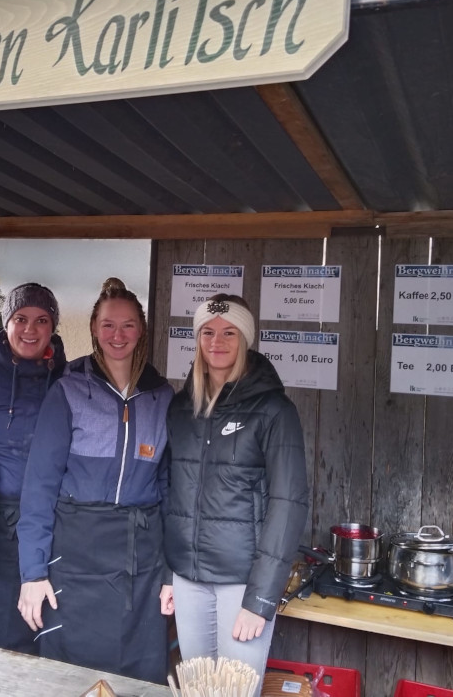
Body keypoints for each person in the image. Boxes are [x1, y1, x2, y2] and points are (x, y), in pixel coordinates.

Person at [16, 278, 174, 683]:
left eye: (127, 325)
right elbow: (39, 488)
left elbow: (172, 492)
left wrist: (171, 574)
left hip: (141, 560)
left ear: (141, 329)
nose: (117, 335)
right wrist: (33, 573)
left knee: (138, 677)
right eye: (108, 325)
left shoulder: (162, 397)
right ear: (93, 328)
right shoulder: (68, 391)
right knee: (70, 677)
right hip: (76, 557)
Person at [164, 294, 308, 693]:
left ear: (245, 339)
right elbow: (171, 493)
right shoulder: (181, 408)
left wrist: (260, 599)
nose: (217, 342)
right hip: (188, 579)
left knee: (235, 691)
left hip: (241, 583)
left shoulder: (274, 411)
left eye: (229, 332)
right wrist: (168, 573)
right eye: (207, 332)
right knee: (197, 689)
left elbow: (288, 505)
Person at [0, 282, 67, 653]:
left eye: (42, 320)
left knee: (46, 628)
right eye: (21, 318)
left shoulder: (69, 380)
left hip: (53, 521)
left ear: (52, 327)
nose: (30, 329)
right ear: (6, 323)